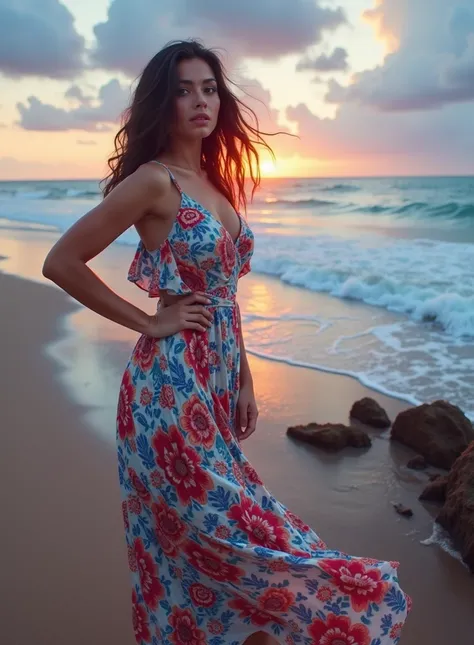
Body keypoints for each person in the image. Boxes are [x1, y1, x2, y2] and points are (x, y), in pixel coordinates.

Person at [42, 39, 410, 645]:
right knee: (233, 534)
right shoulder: (152, 182)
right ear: (162, 102)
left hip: (212, 387)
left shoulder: (216, 181)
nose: (200, 101)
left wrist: (244, 376)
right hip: (166, 394)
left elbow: (225, 296)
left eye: (209, 88)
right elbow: (62, 261)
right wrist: (149, 321)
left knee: (221, 547)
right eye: (184, 89)